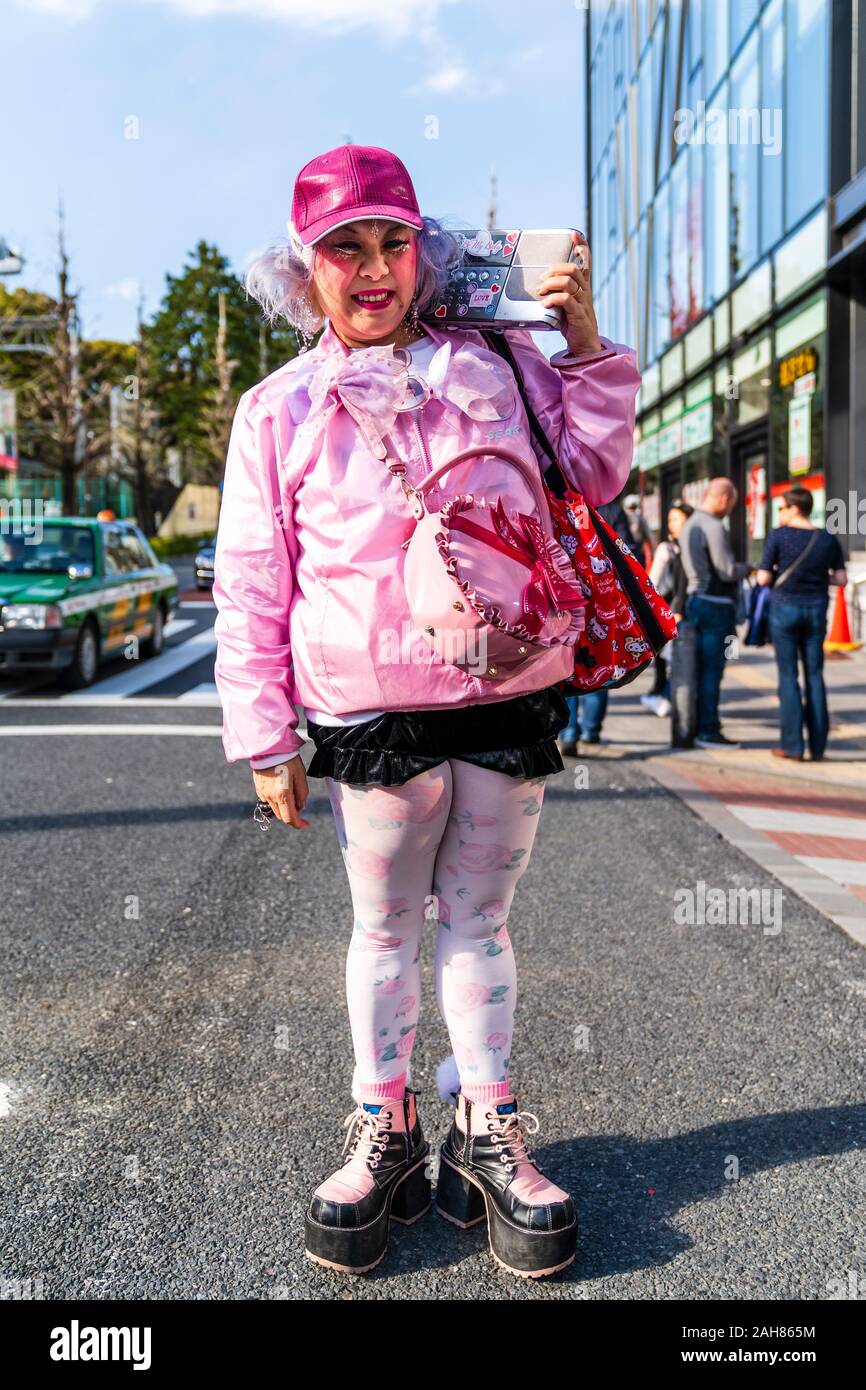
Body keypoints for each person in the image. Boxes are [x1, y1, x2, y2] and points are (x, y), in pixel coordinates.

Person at [211, 144, 641, 1279]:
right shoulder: (279, 409)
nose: (371, 267)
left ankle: (486, 1127)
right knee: (386, 927)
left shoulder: (496, 361)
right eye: (342, 247)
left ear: (424, 248)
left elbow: (594, 474)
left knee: (482, 923)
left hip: (508, 686)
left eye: (391, 240)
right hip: (371, 712)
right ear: (304, 270)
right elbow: (254, 574)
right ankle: (384, 1127)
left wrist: (583, 343)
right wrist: (262, 735)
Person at [756, 485, 847, 762]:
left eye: (782, 507)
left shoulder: (779, 536)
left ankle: (793, 746)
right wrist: (818, 579)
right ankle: (818, 747)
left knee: (788, 677)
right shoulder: (827, 538)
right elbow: (841, 579)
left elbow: (762, 579)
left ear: (795, 508)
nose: (779, 513)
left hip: (784, 608)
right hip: (816, 609)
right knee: (815, 676)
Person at [679, 477, 752, 749]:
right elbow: (726, 569)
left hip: (695, 601)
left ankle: (696, 726)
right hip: (716, 605)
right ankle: (708, 730)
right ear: (724, 499)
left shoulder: (689, 524)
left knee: (696, 670)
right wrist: (749, 567)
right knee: (712, 669)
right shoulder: (713, 526)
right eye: (731, 503)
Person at [641, 500, 693, 717]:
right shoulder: (667, 548)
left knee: (673, 658)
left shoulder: (683, 546)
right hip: (674, 610)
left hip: (680, 608)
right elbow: (652, 581)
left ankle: (663, 695)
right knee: (671, 658)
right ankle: (664, 695)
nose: (672, 524)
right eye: (670, 520)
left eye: (676, 519)